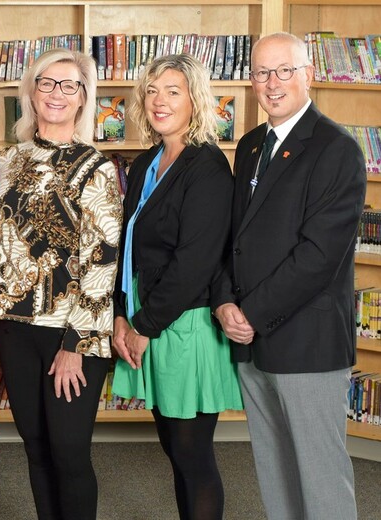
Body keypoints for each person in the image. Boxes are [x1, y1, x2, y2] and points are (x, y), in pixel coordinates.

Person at [213, 32, 365, 520]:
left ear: (309, 75)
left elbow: (319, 255)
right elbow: (232, 237)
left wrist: (251, 313)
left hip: (307, 340)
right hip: (251, 337)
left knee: (320, 478)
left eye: (284, 70)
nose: (272, 83)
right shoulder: (252, 144)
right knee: (274, 469)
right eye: (261, 72)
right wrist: (223, 304)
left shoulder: (336, 149)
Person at [0, 48, 120, 520]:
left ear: (84, 98)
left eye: (69, 85)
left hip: (70, 331)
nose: (56, 93)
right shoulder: (12, 158)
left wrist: (76, 343)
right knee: (36, 448)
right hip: (14, 325)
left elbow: (103, 257)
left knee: (68, 451)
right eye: (47, 83)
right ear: (32, 91)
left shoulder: (96, 167)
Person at [111, 54, 243, 520]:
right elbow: (128, 246)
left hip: (182, 325)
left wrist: (143, 324)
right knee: (173, 447)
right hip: (149, 317)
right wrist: (121, 315)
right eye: (152, 91)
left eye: (173, 91)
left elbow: (196, 261)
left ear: (195, 100)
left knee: (192, 455)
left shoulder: (206, 165)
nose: (159, 101)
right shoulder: (148, 160)